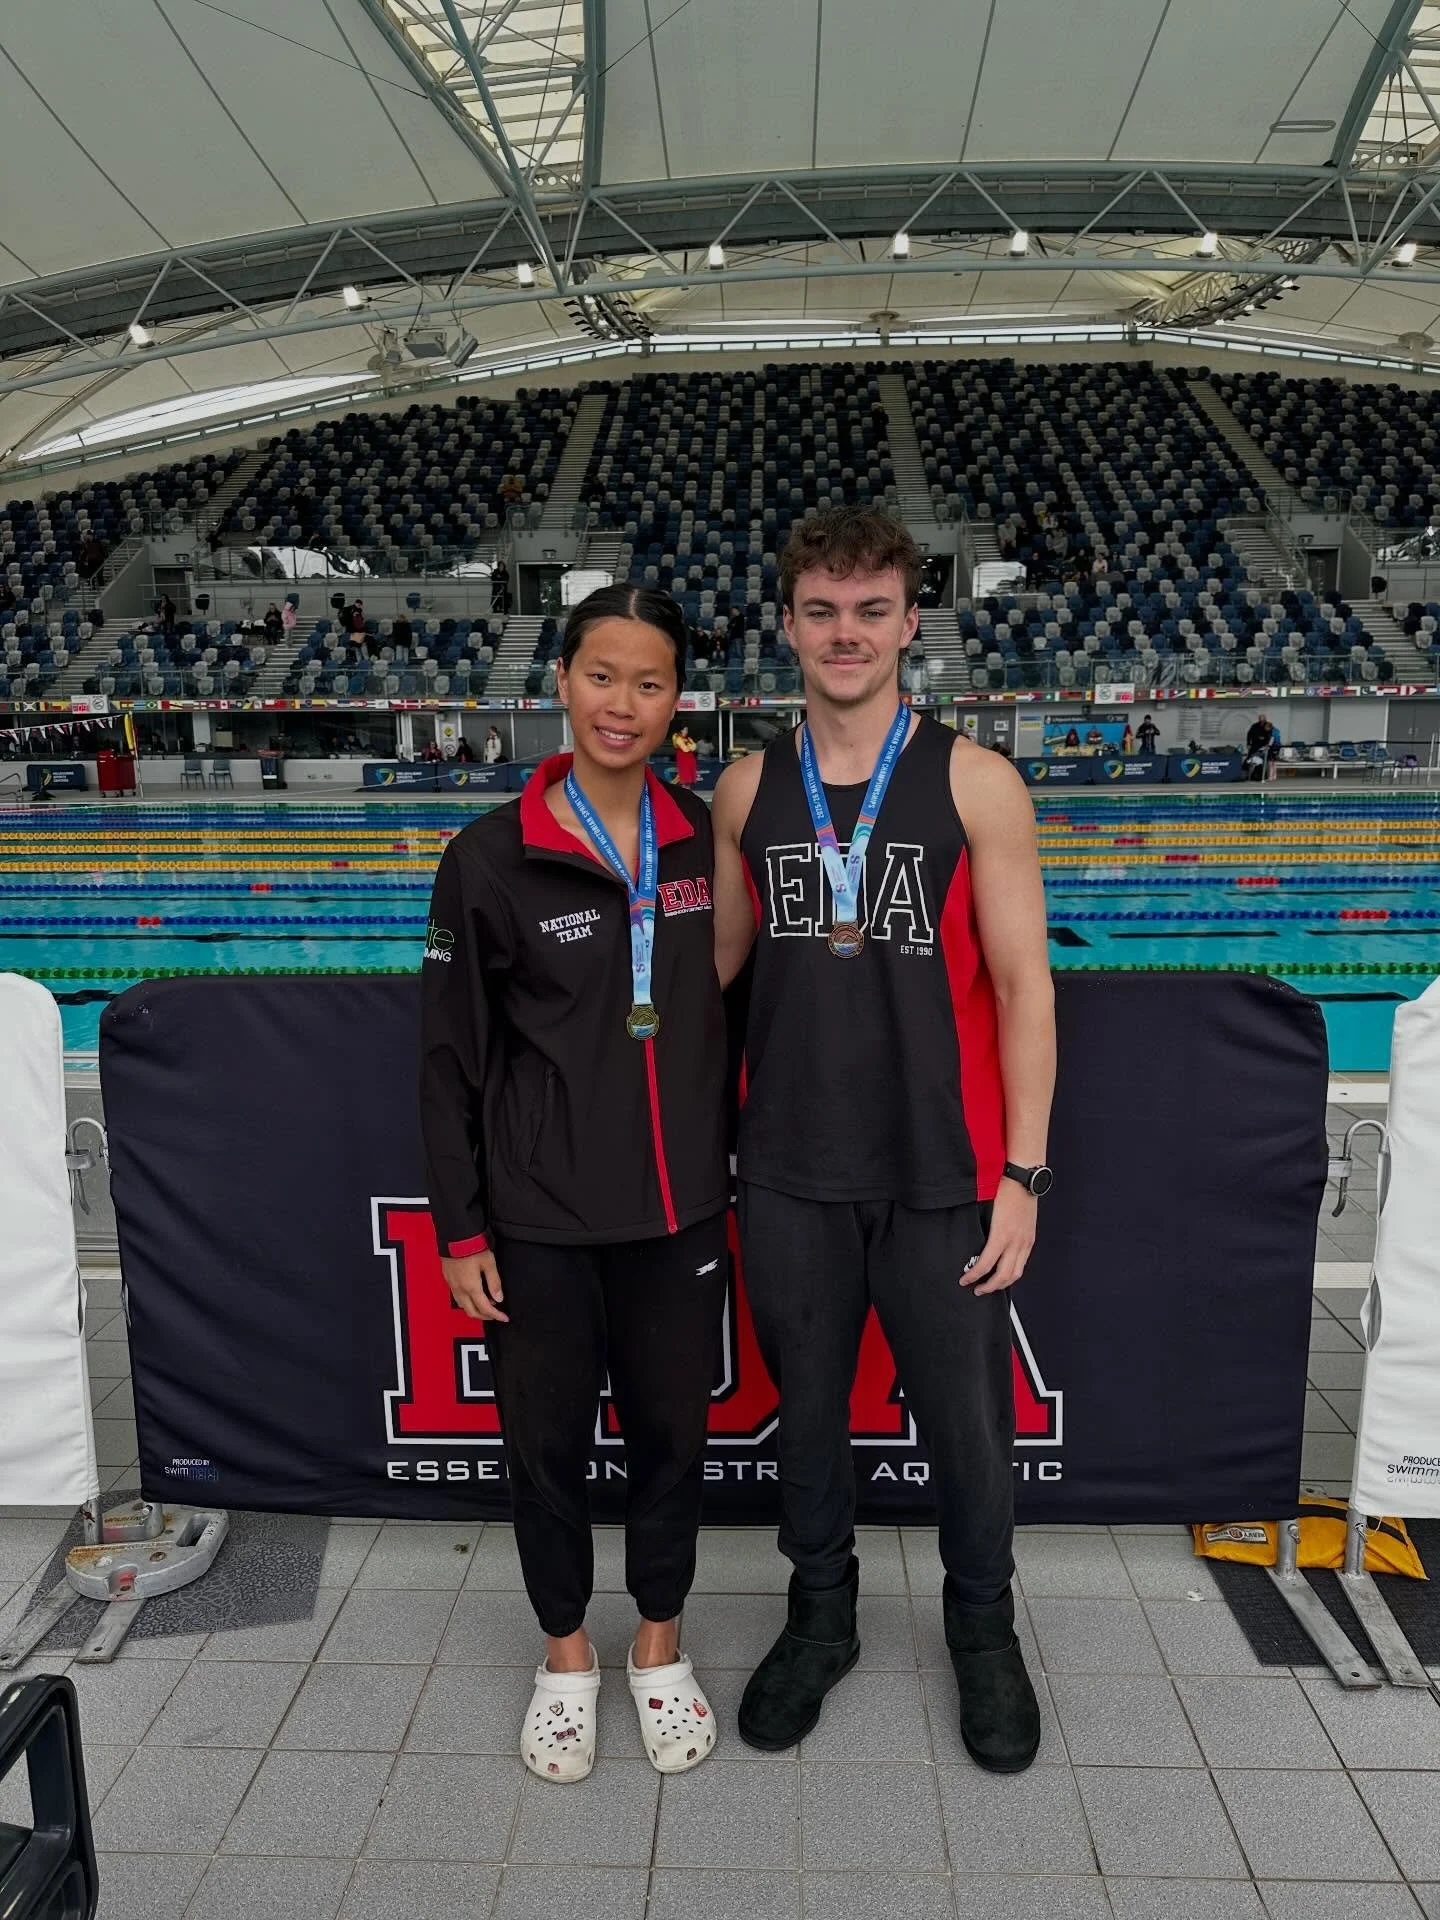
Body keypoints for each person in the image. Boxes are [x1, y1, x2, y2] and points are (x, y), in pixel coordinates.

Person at [712, 505, 1055, 1772]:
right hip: (790, 1167)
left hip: (942, 1174)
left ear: (912, 623)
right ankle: (821, 1620)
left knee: (967, 1423)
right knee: (805, 1413)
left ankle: (983, 1634)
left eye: (871, 611)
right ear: (788, 624)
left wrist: (1020, 1176)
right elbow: (710, 981)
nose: (845, 633)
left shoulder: (976, 781)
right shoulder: (747, 787)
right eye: (821, 610)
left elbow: (1027, 989)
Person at [420, 582, 729, 1785]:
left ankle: (658, 1642)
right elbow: (448, 1057)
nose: (623, 703)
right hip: (539, 1218)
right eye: (603, 675)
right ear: (561, 682)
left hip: (678, 1210)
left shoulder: (704, 839)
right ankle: (565, 1655)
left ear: (676, 702)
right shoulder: (490, 858)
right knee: (543, 1451)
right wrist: (460, 1225)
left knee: (671, 1440)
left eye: (650, 683)